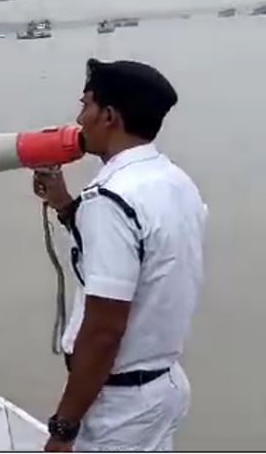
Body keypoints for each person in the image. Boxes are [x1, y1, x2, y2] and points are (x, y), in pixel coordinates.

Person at [33, 58, 207, 452]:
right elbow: (141, 256)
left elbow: (104, 331)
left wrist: (64, 428)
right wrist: (66, 206)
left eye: (86, 105)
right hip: (162, 386)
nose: (79, 118)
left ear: (109, 116)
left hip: (120, 410)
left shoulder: (111, 200)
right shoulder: (174, 182)